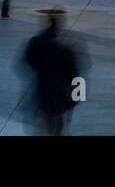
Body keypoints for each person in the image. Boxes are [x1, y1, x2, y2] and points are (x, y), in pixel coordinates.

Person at [21, 8, 86, 136]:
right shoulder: (65, 48)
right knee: (57, 125)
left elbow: (28, 61)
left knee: (46, 121)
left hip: (43, 91)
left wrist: (40, 70)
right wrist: (77, 98)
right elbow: (75, 75)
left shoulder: (36, 43)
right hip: (60, 94)